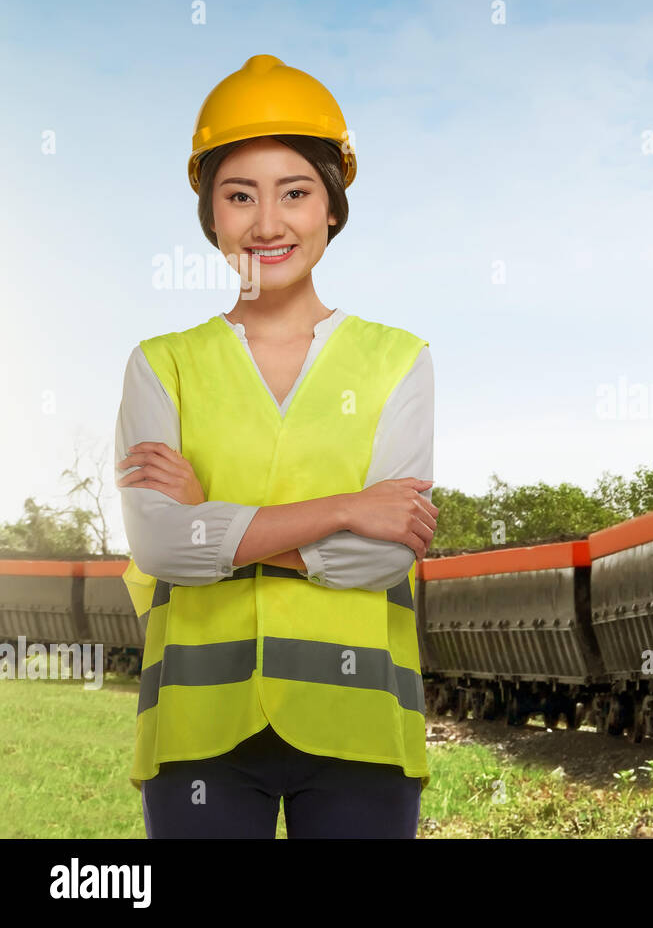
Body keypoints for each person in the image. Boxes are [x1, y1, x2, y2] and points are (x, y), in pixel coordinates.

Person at [114, 54, 438, 838]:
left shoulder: (401, 361)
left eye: (295, 193)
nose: (267, 223)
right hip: (200, 730)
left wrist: (219, 524)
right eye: (239, 196)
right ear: (211, 216)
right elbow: (161, 543)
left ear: (333, 208)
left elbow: (386, 558)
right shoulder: (161, 365)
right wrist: (345, 508)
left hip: (360, 727)